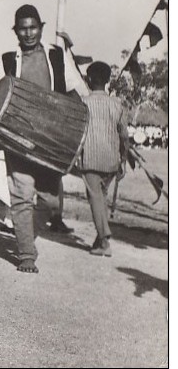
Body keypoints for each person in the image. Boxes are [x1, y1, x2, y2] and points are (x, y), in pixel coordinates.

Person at [0, 4, 85, 273]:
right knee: (20, 196)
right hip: (18, 136)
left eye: (33, 27)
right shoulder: (8, 59)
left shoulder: (56, 56)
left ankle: (30, 235)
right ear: (16, 31)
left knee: (50, 200)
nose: (28, 33)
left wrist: (78, 125)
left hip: (50, 138)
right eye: (23, 28)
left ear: (41, 28)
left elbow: (72, 92)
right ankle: (26, 255)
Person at [78, 61, 129, 257]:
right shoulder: (117, 105)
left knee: (95, 199)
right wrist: (123, 160)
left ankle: (104, 239)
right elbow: (124, 136)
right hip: (110, 160)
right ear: (108, 80)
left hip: (90, 158)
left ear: (88, 79)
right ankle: (100, 240)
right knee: (101, 198)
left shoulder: (83, 103)